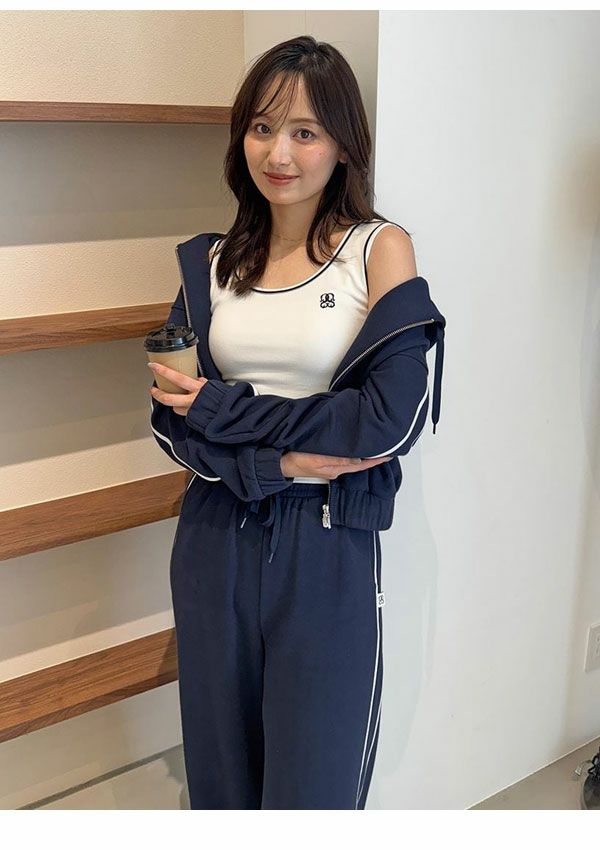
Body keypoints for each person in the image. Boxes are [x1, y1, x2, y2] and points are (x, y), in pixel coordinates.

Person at [148, 35, 446, 810]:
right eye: (262, 127)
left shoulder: (379, 249)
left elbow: (386, 421)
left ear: (343, 145)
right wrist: (276, 463)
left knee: (313, 787)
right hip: (214, 532)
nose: (278, 153)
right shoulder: (209, 262)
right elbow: (170, 419)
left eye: (305, 132)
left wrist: (223, 408)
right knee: (222, 780)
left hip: (327, 541)